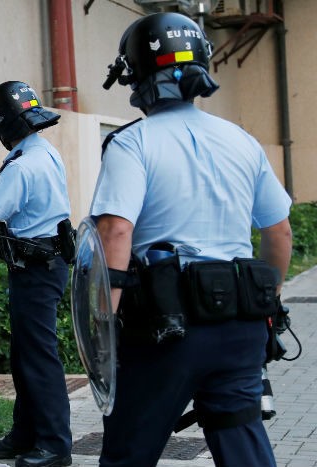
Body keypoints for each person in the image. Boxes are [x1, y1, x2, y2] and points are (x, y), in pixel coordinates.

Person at [92, 12, 291, 467]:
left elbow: (115, 231)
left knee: (130, 448)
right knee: (242, 445)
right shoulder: (242, 140)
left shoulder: (132, 143)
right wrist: (270, 302)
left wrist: (102, 323)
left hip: (165, 328)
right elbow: (278, 231)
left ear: (134, 74)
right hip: (242, 325)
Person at [0, 81, 73, 467]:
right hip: (46, 264)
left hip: (35, 269)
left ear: (2, 124)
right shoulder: (42, 152)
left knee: (38, 358)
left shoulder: (21, 165)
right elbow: (15, 200)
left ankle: (55, 445)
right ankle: (25, 435)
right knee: (25, 356)